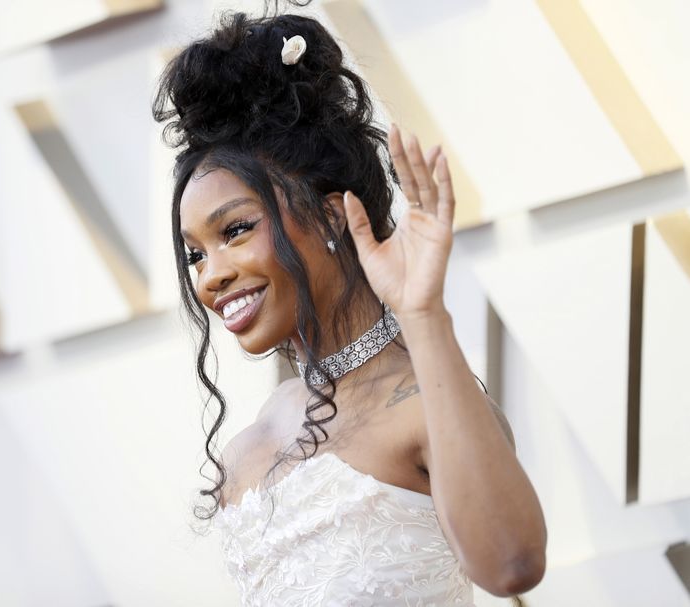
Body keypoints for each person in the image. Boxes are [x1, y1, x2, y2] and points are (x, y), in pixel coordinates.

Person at [153, 8, 547, 606]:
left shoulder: (422, 406)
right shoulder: (248, 450)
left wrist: (423, 314)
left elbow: (512, 564)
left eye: (234, 230)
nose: (212, 276)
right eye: (194, 255)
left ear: (333, 212)